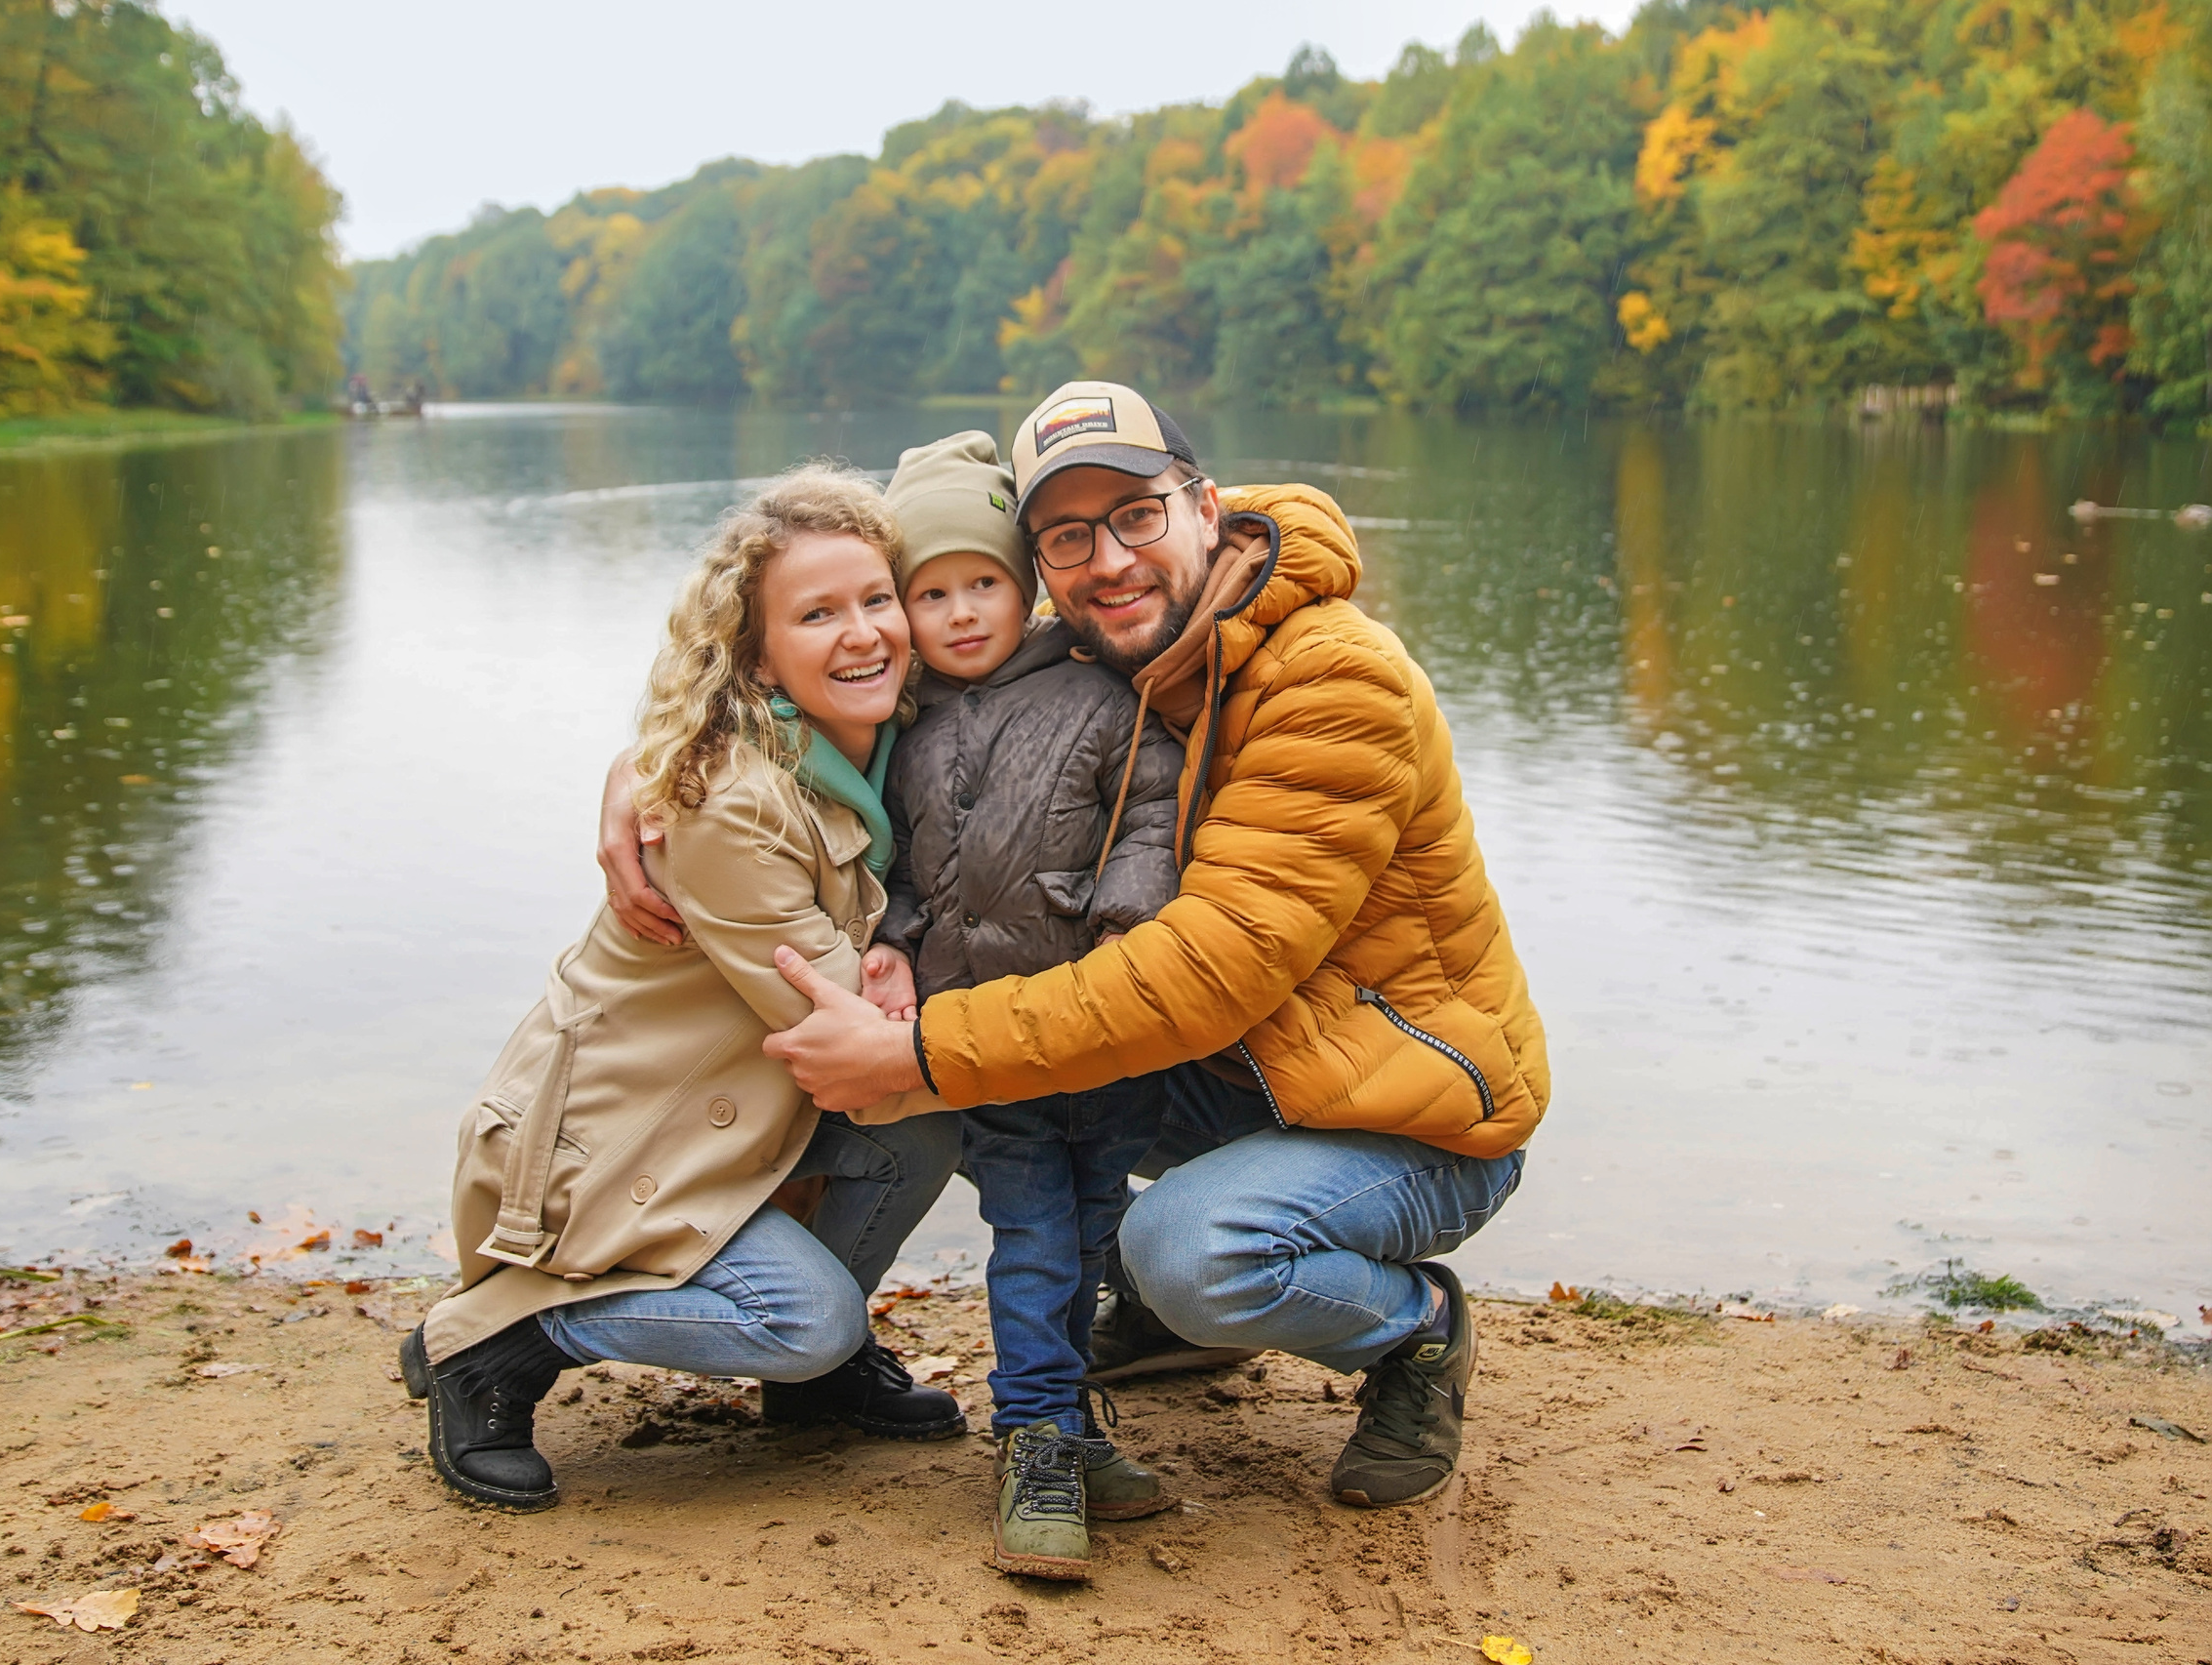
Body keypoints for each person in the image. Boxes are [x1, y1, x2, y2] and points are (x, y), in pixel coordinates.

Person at [656, 380, 1551, 1513]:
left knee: (1189, 1244)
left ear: (1205, 507)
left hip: (1416, 1109)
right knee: (994, 1100)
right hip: (1250, 1077)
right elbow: (841, 675)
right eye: (1067, 537)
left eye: (1136, 515)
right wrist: (652, 790)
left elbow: (1205, 972)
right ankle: (1152, 1310)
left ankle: (1409, 1327)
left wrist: (921, 1046)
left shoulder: (1335, 678)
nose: (1109, 559)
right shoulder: (1110, 647)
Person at [403, 467, 963, 1512]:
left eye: (877, 598)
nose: (864, 633)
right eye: (817, 614)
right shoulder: (720, 800)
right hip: (612, 1150)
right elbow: (844, 1036)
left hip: (722, 1123)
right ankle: (496, 1342)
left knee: (925, 1136)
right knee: (807, 1318)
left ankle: (811, 1390)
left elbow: (992, 524)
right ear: (756, 654)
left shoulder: (875, 745)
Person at [865, 431, 1186, 1580]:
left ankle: (1070, 1415)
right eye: (931, 592)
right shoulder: (901, 722)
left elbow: (1151, 813)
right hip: (981, 1034)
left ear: (1024, 583)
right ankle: (1035, 1435)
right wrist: (895, 941)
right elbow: (887, 866)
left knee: (1096, 1220)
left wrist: (1124, 925)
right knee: (1033, 1232)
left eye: (982, 584)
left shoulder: (1100, 690)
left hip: (1101, 1024)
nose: (959, 613)